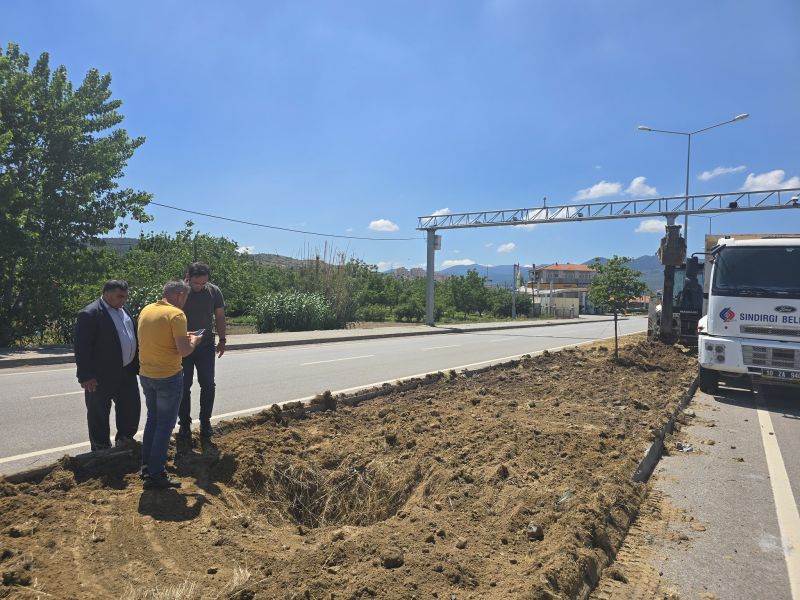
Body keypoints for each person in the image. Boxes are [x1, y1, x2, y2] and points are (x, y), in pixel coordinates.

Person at [137, 280, 201, 489]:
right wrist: (194, 341)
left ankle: (147, 468)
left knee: (153, 421)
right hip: (167, 376)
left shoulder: (147, 310)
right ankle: (156, 474)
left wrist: (183, 336)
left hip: (147, 375)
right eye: (186, 297)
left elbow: (161, 339)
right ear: (179, 294)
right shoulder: (176, 315)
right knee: (164, 426)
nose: (185, 302)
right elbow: (184, 351)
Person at [75, 280, 140, 452]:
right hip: (100, 375)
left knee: (130, 409)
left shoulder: (124, 310)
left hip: (126, 372)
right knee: (99, 414)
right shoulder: (90, 314)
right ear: (107, 293)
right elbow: (82, 347)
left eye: (126, 296)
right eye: (120, 296)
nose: (124, 300)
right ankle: (101, 449)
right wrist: (86, 375)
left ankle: (125, 442)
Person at [178, 262, 226, 439]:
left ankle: (205, 422)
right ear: (187, 277)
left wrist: (222, 339)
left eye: (203, 283)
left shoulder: (214, 291)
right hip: (183, 346)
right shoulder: (179, 292)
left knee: (208, 384)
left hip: (205, 346)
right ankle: (184, 424)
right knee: (183, 386)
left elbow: (220, 316)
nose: (199, 287)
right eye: (195, 283)